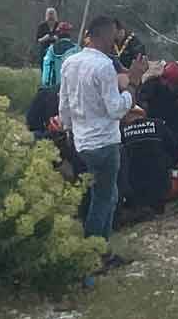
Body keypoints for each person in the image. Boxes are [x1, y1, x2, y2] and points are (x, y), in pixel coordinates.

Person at [59, 15, 147, 278]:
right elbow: (117, 109)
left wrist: (68, 131)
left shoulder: (70, 62)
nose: (115, 42)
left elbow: (63, 105)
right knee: (103, 199)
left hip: (80, 141)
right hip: (104, 143)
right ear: (106, 37)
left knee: (102, 194)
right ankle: (95, 255)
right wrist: (133, 81)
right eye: (113, 37)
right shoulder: (104, 66)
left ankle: (100, 251)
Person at [135, 61, 178, 164]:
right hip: (155, 123)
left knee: (175, 150)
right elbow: (140, 106)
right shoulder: (152, 85)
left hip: (175, 123)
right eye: (173, 85)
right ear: (164, 80)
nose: (175, 88)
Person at [41, 22, 78, 89]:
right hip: (73, 88)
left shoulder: (51, 50)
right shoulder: (77, 49)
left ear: (58, 34)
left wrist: (45, 86)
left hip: (55, 89)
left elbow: (47, 69)